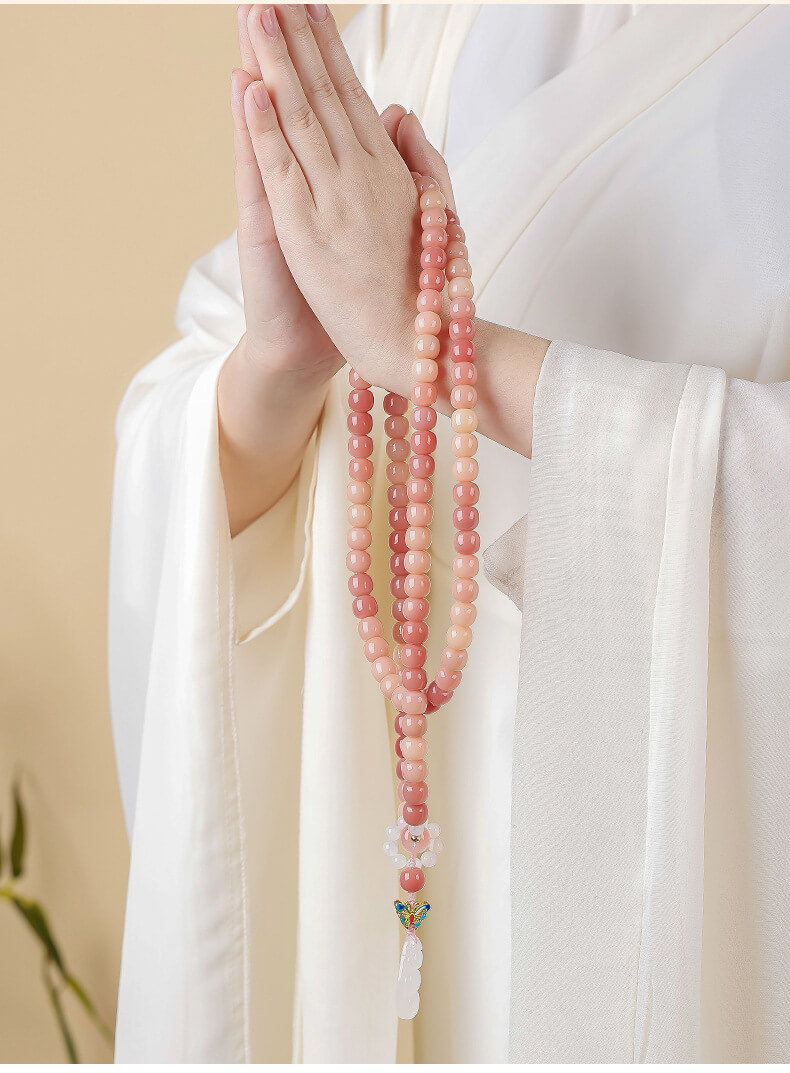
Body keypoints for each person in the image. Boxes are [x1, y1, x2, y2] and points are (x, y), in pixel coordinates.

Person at [109, 4, 790, 1062]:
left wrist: (432, 343)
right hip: (374, 831)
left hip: (624, 852)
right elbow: (213, 392)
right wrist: (279, 368)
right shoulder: (419, 20)